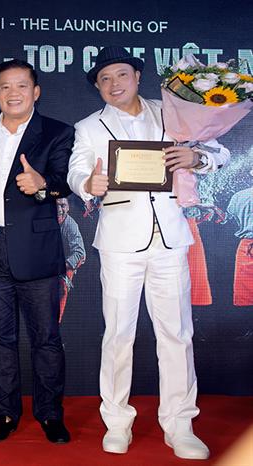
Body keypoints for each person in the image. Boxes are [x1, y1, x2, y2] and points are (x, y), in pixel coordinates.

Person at [67, 46, 230, 460]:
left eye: (121, 74)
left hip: (170, 238)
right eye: (104, 79)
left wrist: (196, 157)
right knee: (118, 334)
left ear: (138, 76)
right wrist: (87, 184)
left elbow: (221, 153)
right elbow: (76, 170)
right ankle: (117, 422)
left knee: (177, 334)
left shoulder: (175, 113)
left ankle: (180, 425)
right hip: (120, 242)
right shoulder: (89, 127)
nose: (114, 84)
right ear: (97, 87)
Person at [0, 59, 73, 444]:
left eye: (22, 86)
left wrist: (43, 184)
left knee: (46, 338)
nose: (14, 93)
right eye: (6, 87)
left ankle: (50, 414)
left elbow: (64, 182)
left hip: (37, 249)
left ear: (36, 91)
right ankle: (6, 412)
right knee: (0, 338)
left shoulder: (57, 132)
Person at [57, 197, 86, 320]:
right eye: (55, 205)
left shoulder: (71, 225)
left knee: (62, 287)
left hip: (65, 265)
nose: (59, 209)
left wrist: (61, 266)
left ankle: (56, 321)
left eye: (63, 205)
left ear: (68, 207)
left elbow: (80, 253)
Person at [227, 170, 253, 306]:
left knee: (246, 298)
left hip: (246, 248)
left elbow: (229, 220)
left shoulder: (238, 196)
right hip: (247, 247)